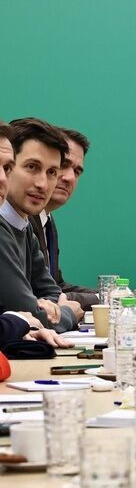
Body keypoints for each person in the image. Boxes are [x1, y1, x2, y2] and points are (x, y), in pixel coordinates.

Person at [0, 117, 81, 332]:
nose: (42, 184)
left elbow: (52, 291)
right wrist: (67, 313)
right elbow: (31, 317)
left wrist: (49, 307)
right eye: (32, 167)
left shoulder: (24, 226)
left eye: (52, 172)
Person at [29, 127, 98, 311]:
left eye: (77, 171)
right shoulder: (22, 220)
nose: (70, 177)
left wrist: (107, 295)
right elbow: (37, 296)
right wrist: (100, 299)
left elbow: (55, 285)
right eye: (63, 165)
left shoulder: (47, 220)